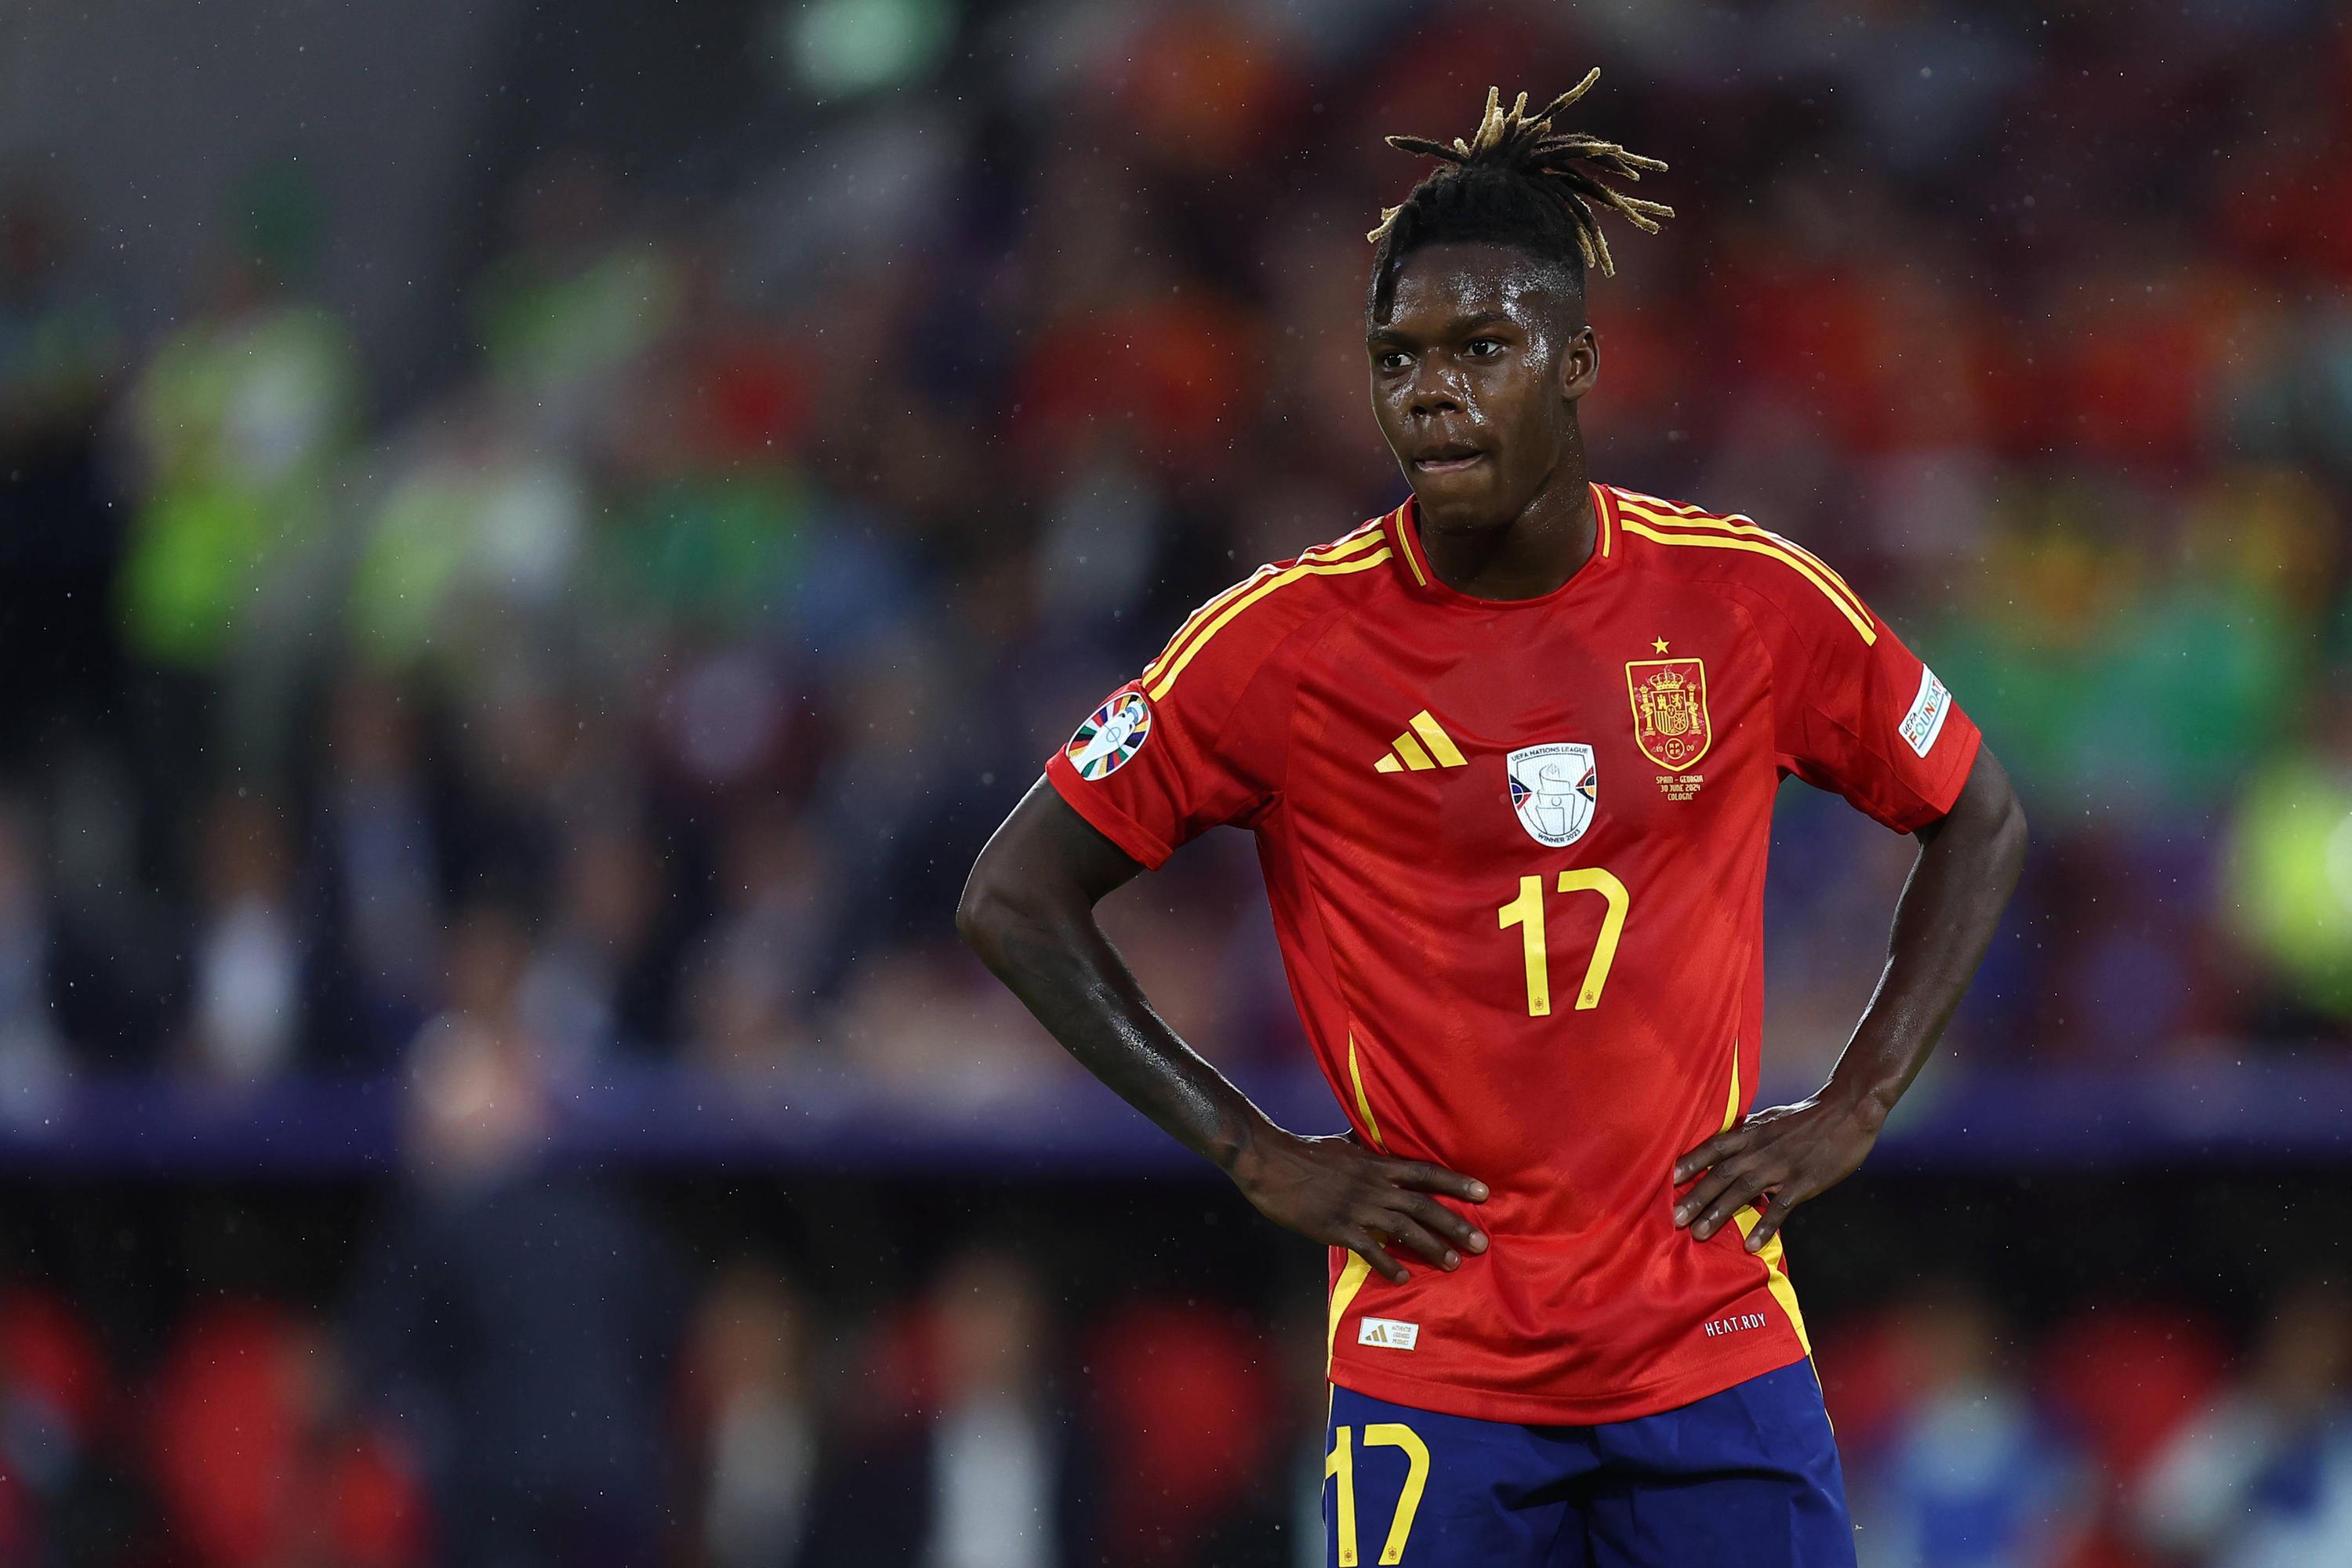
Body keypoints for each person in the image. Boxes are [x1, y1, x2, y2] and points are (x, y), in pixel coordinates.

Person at [959, 75, 2027, 1568]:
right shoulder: (1284, 646)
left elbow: (1979, 813)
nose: (1430, 391)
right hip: (1436, 1359)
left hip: (1708, 1338)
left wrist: (1858, 1101)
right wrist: (1254, 1151)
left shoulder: (1742, 600)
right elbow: (1012, 897)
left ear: (1577, 361)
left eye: (1481, 348)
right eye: (1396, 357)